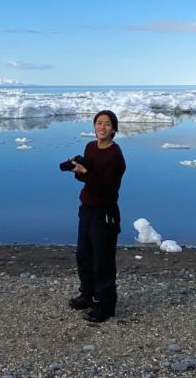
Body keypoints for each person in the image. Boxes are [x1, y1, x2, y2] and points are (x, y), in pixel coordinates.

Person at [68, 109, 126, 322]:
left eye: (107, 124)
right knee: (83, 255)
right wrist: (78, 171)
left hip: (105, 212)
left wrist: (86, 173)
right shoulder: (90, 147)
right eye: (99, 123)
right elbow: (87, 180)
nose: (102, 127)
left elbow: (106, 188)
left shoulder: (115, 156)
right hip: (87, 208)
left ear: (114, 129)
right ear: (94, 126)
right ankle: (88, 295)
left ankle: (105, 305)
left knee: (102, 260)